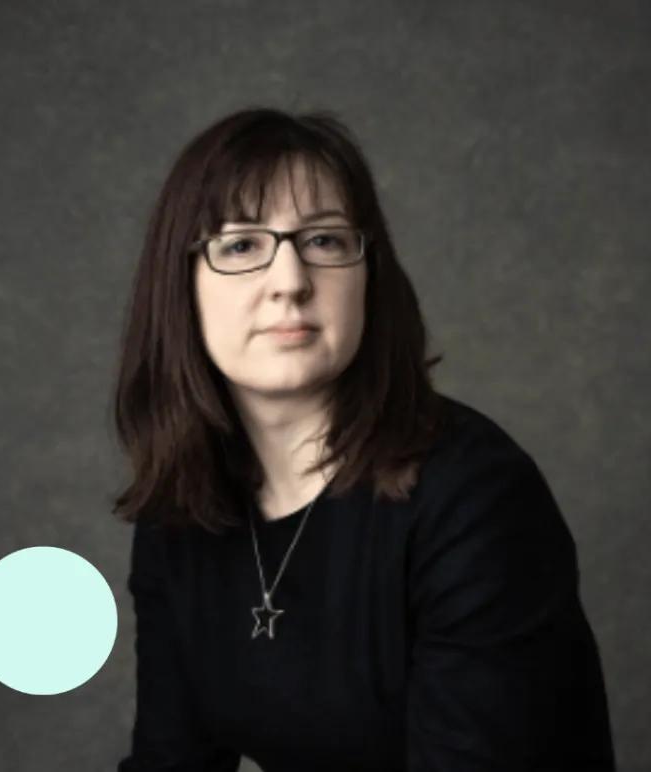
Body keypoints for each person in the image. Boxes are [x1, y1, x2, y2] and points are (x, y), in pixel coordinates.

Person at [111, 107, 616, 771]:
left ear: (367, 274)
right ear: (180, 289)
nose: (289, 283)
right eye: (239, 246)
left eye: (322, 241)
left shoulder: (474, 494)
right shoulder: (181, 509)